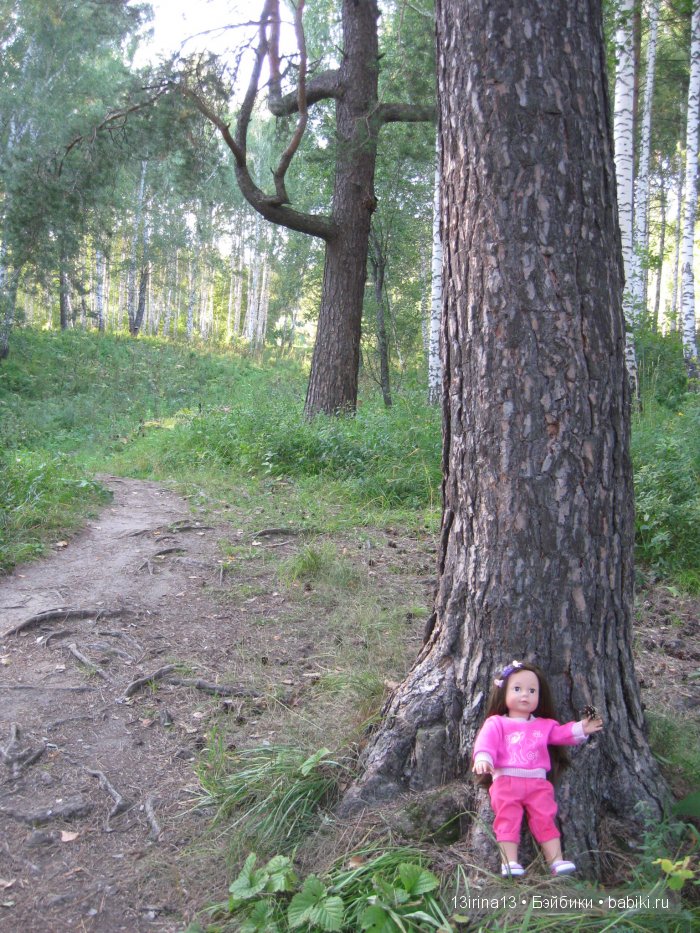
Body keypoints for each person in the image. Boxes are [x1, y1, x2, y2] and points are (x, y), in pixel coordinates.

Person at [472, 660, 603, 878]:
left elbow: (561, 734)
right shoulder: (497, 723)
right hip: (506, 781)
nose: (525, 695)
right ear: (503, 691)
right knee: (507, 818)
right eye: (517, 689)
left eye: (532, 691)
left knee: (545, 817)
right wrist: (483, 758)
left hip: (537, 783)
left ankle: (556, 861)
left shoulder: (544, 725)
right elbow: (486, 742)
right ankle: (509, 861)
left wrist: (582, 728)